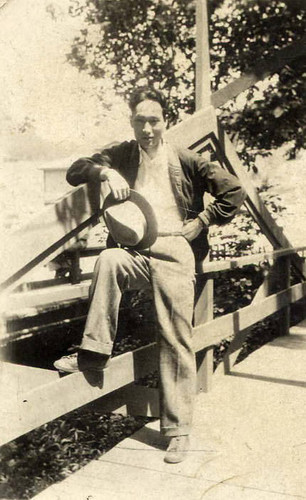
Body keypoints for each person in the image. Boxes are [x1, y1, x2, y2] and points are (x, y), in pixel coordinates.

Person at [54, 86, 246, 463]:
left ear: (165, 122)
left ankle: (178, 431)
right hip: (136, 250)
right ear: (132, 122)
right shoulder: (124, 154)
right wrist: (106, 170)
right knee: (108, 260)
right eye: (140, 120)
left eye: (154, 120)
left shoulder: (187, 158)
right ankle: (92, 355)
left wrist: (202, 221)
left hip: (175, 248)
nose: (147, 128)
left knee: (175, 336)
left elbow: (234, 190)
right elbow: (75, 170)